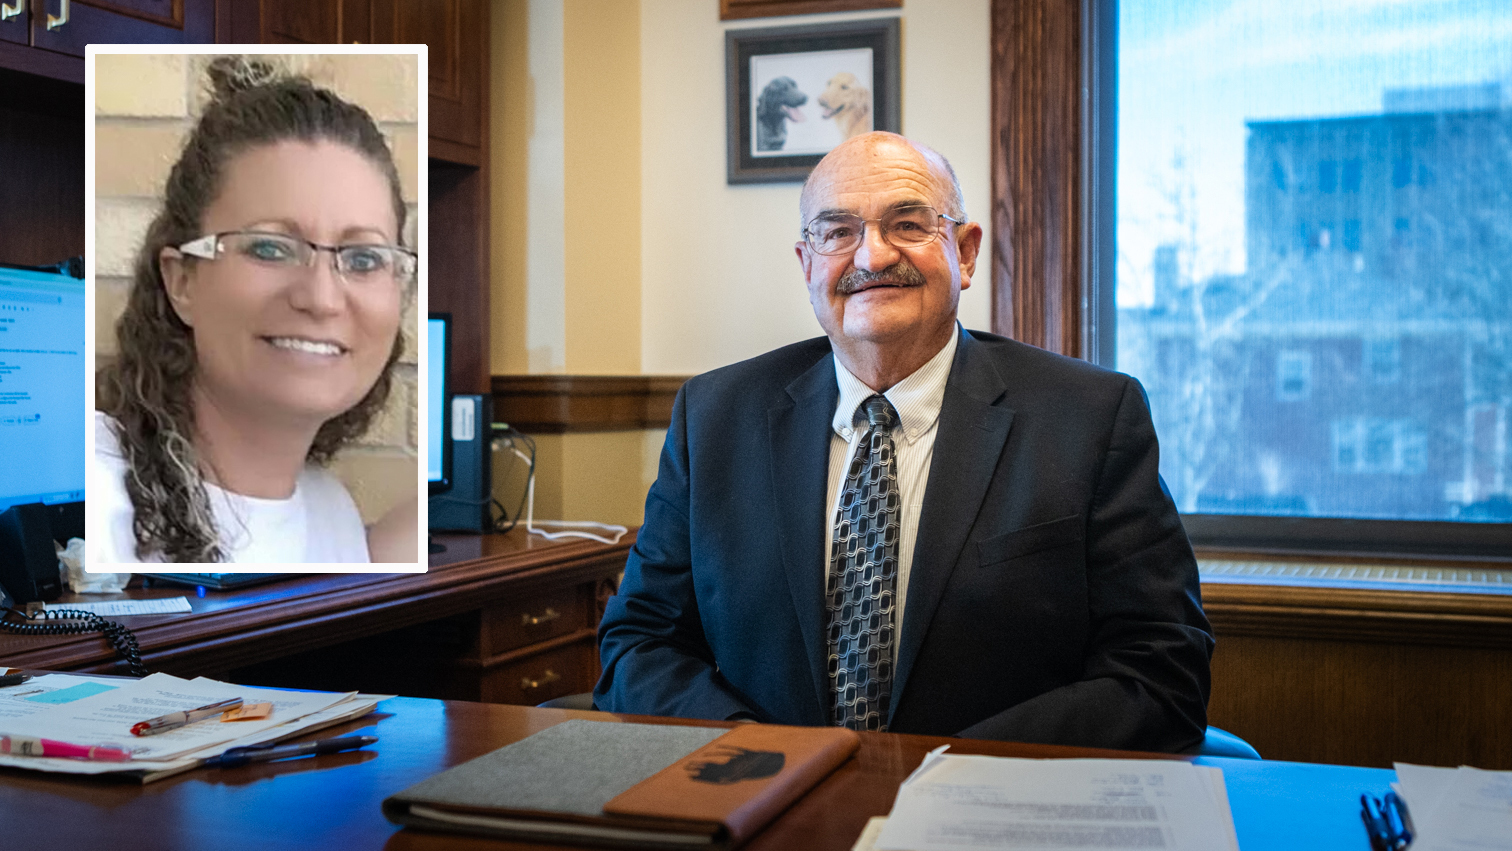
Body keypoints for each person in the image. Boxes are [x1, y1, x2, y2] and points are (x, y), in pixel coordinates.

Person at [595, 132, 1214, 752]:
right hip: (765, 794)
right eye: (838, 232)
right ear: (807, 266)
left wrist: (948, 770)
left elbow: (1161, 670)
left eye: (908, 224)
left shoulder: (1090, 416)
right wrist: (756, 755)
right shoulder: (714, 418)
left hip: (987, 798)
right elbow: (639, 643)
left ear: (965, 253)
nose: (871, 255)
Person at [91, 57, 415, 564]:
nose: (321, 298)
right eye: (269, 248)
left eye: (364, 259)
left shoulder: (333, 516)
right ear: (182, 281)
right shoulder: (87, 496)